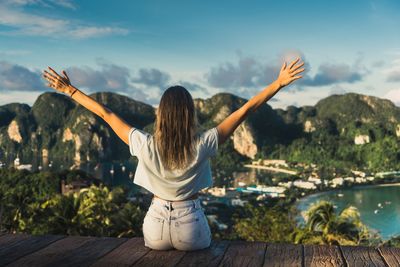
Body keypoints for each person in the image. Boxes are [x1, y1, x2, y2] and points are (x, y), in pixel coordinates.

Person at [42, 58, 304, 251]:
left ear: (161, 114)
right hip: (190, 223)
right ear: (190, 113)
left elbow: (105, 114)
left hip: (155, 225)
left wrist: (70, 90)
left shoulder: (144, 143)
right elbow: (245, 110)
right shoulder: (204, 143)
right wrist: (278, 83)